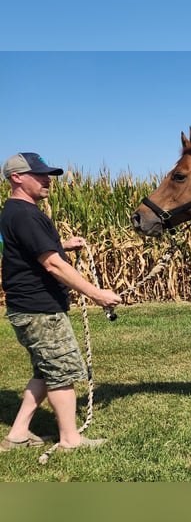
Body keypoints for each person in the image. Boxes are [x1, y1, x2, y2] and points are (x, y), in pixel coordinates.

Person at [0, 152, 121, 452]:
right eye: (39, 174)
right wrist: (97, 294)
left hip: (28, 308)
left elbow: (25, 249)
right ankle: (70, 439)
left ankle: (17, 434)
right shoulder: (25, 214)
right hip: (40, 311)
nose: (47, 180)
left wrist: (62, 244)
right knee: (62, 372)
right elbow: (53, 264)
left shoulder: (15, 212)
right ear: (16, 177)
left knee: (45, 371)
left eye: (49, 174)